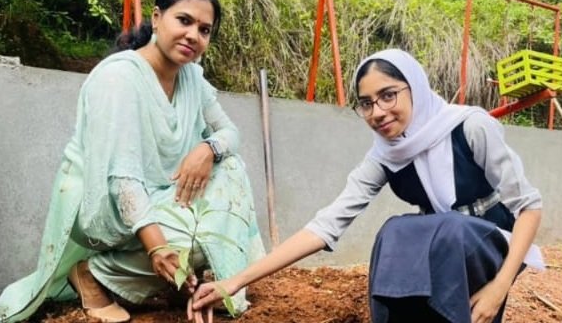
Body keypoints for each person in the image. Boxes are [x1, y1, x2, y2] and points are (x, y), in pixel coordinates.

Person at [0, 0, 265, 323]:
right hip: (107, 203)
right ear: (157, 18)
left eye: (204, 30)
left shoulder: (192, 78)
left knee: (231, 169)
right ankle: (93, 275)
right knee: (194, 235)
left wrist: (207, 148)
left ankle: (203, 282)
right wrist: (158, 247)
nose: (193, 35)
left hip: (161, 194)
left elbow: (230, 132)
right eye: (184, 20)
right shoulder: (119, 79)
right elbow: (122, 178)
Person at [190, 48, 543, 323]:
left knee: (448, 231)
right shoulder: (386, 155)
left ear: (415, 88)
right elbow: (326, 225)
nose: (377, 112)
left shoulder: (470, 127)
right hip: (445, 246)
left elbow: (529, 208)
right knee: (395, 231)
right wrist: (235, 281)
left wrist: (499, 287)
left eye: (388, 95)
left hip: (495, 242)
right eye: (366, 103)